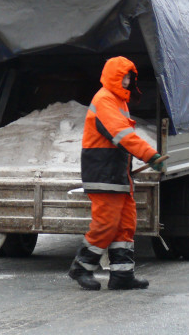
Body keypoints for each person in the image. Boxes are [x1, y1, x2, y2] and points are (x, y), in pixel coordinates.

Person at [68, 56, 165, 291]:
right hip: (103, 174)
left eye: (130, 76)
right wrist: (150, 155)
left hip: (117, 174)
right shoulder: (105, 101)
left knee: (124, 225)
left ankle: (122, 275)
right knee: (106, 224)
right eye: (124, 76)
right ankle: (82, 267)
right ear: (114, 76)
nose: (128, 80)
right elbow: (122, 135)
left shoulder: (118, 102)